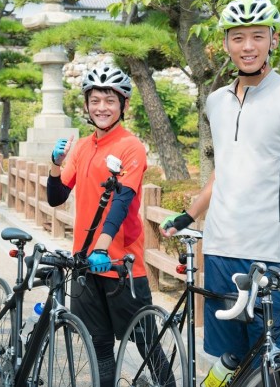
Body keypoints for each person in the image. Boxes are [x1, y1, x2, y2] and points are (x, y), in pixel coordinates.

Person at [161, 0, 280, 365]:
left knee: (270, 361)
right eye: (238, 37)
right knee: (226, 360)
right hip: (219, 249)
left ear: (274, 40)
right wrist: (189, 216)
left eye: (257, 36)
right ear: (225, 44)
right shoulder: (216, 101)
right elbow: (226, 170)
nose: (248, 46)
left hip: (273, 256)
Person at [48, 66, 172, 387]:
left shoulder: (131, 146)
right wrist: (55, 164)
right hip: (84, 266)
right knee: (99, 346)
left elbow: (122, 200)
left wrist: (102, 245)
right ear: (86, 104)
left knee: (146, 344)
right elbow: (56, 196)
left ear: (124, 105)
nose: (101, 107)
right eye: (95, 100)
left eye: (109, 100)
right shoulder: (84, 146)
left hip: (121, 266)